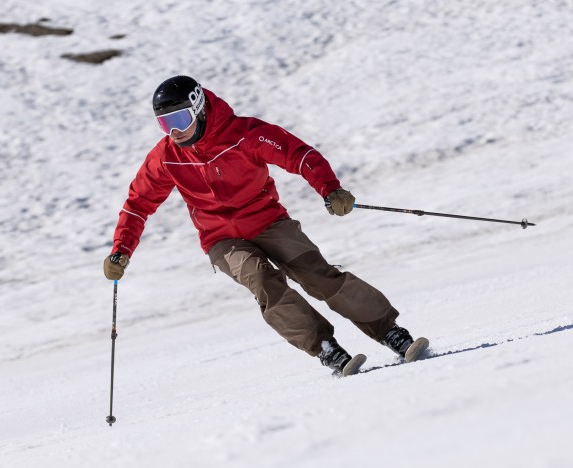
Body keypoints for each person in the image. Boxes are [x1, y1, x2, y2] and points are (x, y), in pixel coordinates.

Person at [103, 75, 428, 376]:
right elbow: (137, 205)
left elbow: (298, 155)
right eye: (164, 124)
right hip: (221, 238)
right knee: (263, 281)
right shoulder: (166, 156)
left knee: (317, 274)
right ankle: (325, 347)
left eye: (179, 120)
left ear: (199, 107)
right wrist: (121, 250)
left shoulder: (243, 134)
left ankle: (390, 332)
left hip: (268, 221)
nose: (174, 131)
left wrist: (330, 188)